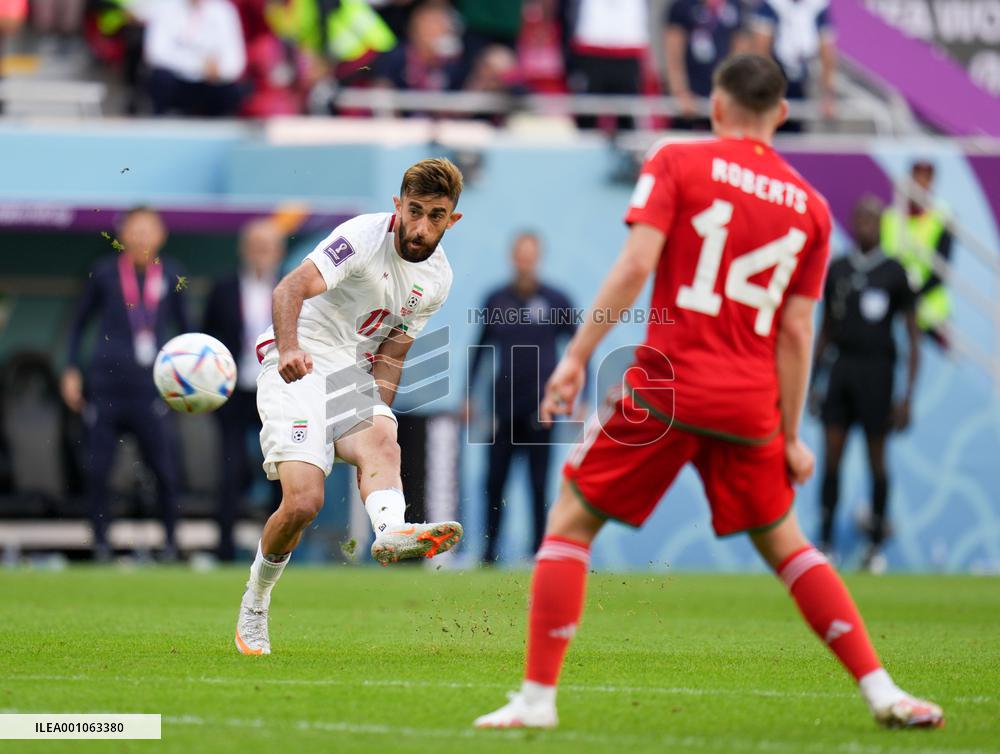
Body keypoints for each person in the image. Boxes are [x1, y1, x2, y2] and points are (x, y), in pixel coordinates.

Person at [474, 54, 943, 730]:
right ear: (781, 114)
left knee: (571, 520)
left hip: (669, 390)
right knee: (789, 546)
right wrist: (790, 436)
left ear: (717, 106)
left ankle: (537, 700)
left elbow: (636, 264)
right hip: (748, 405)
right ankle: (883, 691)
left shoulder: (677, 159)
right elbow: (797, 331)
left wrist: (576, 357)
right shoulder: (811, 209)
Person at [234, 158, 466, 656]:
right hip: (298, 359)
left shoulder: (439, 279)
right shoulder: (361, 237)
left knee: (384, 437)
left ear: (453, 220)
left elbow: (393, 354)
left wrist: (378, 417)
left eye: (436, 216)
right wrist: (290, 348)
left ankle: (391, 530)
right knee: (303, 503)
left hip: (348, 374)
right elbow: (289, 288)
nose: (421, 228)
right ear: (398, 205)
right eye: (415, 211)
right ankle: (256, 601)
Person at [62, 207, 191, 561]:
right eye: (135, 229)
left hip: (152, 390)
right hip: (106, 388)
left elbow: (187, 332)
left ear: (162, 235)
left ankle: (170, 544)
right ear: (123, 235)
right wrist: (71, 369)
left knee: (164, 469)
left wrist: (190, 379)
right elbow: (77, 324)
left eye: (149, 229)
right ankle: (100, 544)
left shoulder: (173, 274)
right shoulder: (104, 272)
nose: (142, 236)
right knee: (99, 469)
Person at [814, 197, 919, 573]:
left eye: (872, 219)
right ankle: (826, 542)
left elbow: (912, 336)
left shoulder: (894, 272)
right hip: (842, 368)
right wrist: (813, 382)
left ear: (881, 225)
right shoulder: (838, 269)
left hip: (878, 372)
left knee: (877, 459)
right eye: (859, 218)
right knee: (831, 456)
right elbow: (825, 328)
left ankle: (875, 546)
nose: (865, 225)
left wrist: (907, 396)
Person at [468, 232, 576, 564]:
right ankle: (488, 553)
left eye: (530, 254)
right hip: (503, 408)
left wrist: (580, 394)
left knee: (538, 483)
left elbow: (578, 350)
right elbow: (480, 349)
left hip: (542, 407)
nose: (525, 260)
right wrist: (469, 396)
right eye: (520, 253)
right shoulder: (496, 299)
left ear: (538, 257)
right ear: (512, 257)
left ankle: (537, 552)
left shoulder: (557, 300)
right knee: (494, 481)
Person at [203, 218, 286, 562]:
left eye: (267, 247)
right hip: (234, 391)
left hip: (278, 390)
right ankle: (224, 549)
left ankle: (276, 550)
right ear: (243, 250)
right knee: (230, 468)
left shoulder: (290, 285)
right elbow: (208, 334)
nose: (260, 253)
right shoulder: (224, 287)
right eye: (255, 246)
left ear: (278, 252)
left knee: (281, 470)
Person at [880, 160, 953, 349]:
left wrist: (911, 297)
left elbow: (941, 270)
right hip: (895, 309)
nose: (921, 182)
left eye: (926, 177)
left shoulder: (942, 218)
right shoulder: (889, 217)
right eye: (917, 176)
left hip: (930, 314)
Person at [144, 0, 246, 117]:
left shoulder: (223, 11)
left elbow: (235, 61)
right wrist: (199, 66)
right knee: (161, 79)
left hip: (210, 85)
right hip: (177, 81)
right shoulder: (165, 8)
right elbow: (155, 53)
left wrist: (219, 70)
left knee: (231, 90)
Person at [750, 0, 836, 130]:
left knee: (795, 130)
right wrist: (763, 90)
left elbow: (827, 55)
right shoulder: (772, 5)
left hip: (801, 82)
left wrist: (828, 95)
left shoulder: (817, 6)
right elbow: (760, 51)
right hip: (775, 81)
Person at [663, 0, 748, 130]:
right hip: (690, 95)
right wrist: (680, 92)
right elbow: (673, 55)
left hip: (721, 94)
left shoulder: (736, 6)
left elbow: (740, 55)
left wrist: (733, 93)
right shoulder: (682, 6)